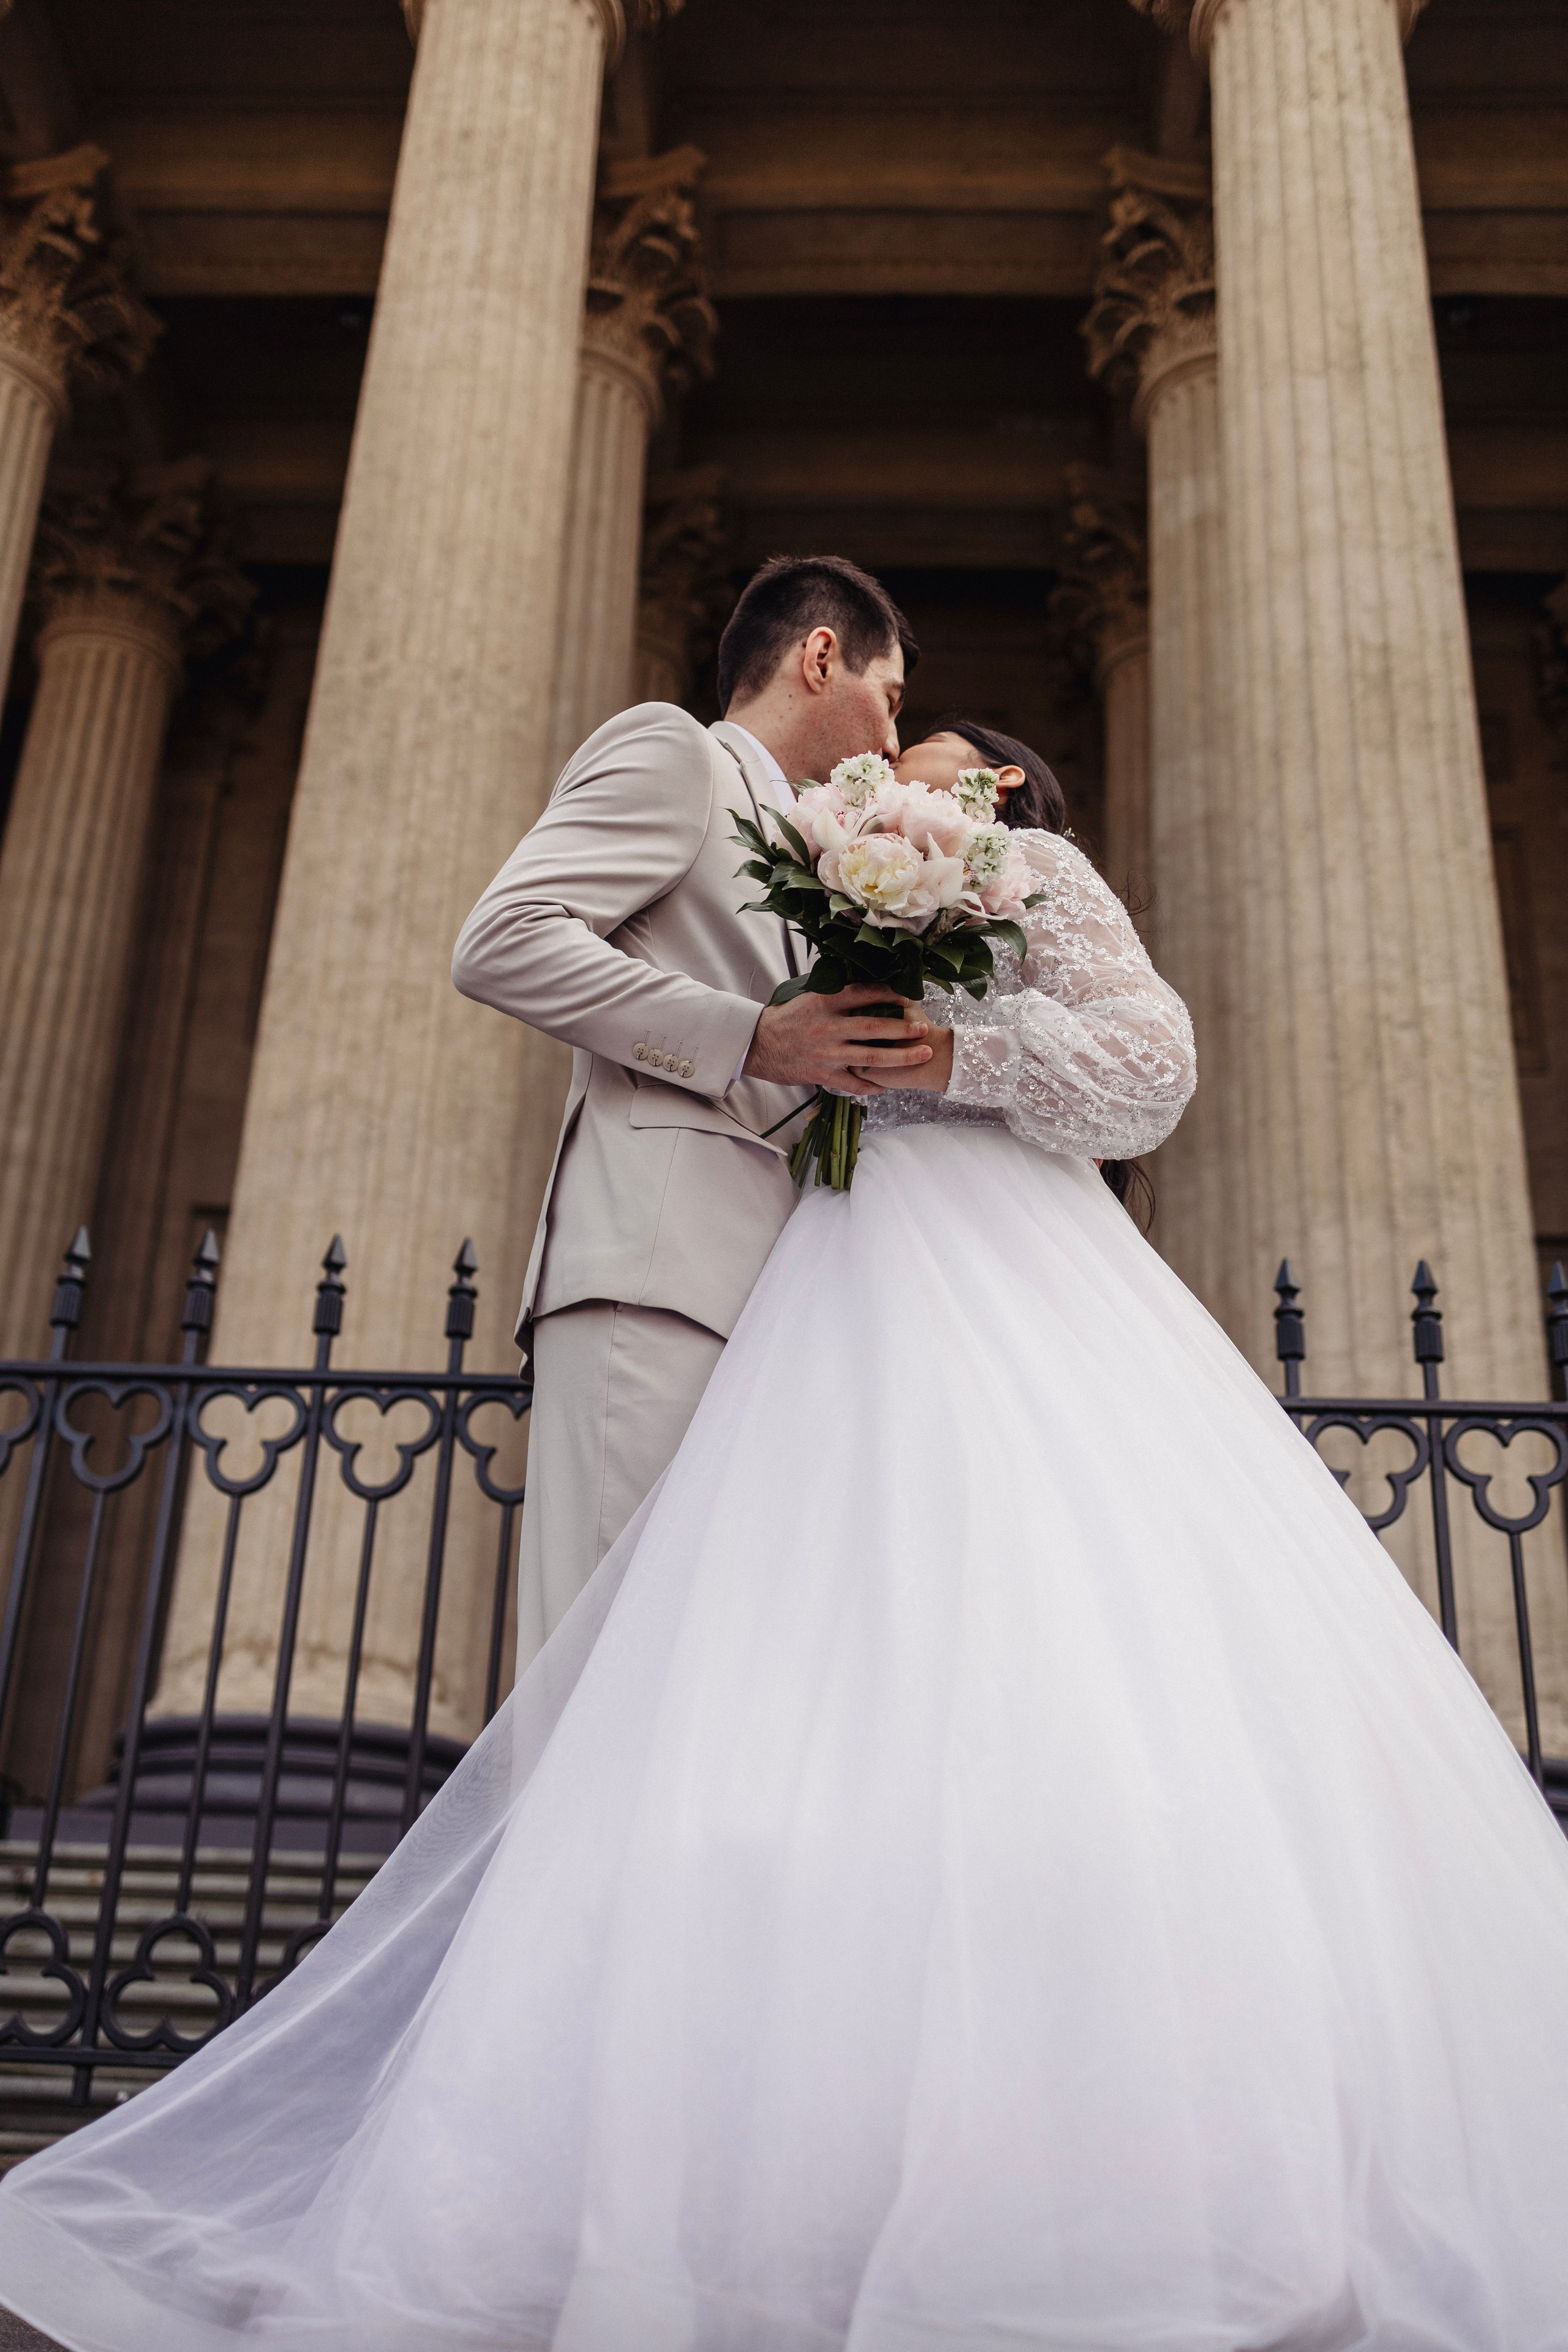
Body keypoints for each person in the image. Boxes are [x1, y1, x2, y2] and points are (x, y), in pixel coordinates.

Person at [7, 722, 1568, 2352]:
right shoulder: (817, 884)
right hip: (820, 1271)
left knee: (1055, 1658)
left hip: (1012, 1268)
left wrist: (956, 1062)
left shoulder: (1042, 878)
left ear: (1005, 803)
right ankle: (774, 2190)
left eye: (942, 772)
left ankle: (1089, 2177)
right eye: (893, 771)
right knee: (791, 1684)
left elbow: (1153, 1069)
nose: (894, 782)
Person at [450, 554, 935, 1668]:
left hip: (782, 1311)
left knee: (703, 1690)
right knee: (609, 1675)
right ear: (821, 657)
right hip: (656, 1276)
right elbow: (503, 941)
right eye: (890, 699)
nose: (896, 746)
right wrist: (750, 1036)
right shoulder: (677, 753)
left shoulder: (821, 857)